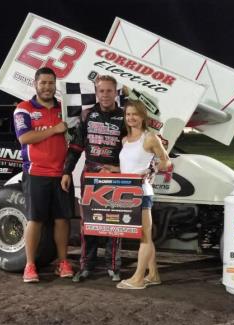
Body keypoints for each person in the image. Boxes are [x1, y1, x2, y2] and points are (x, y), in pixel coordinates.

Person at [61, 75, 125, 282]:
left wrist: (120, 169)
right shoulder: (87, 115)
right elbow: (76, 147)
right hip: (90, 174)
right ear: (96, 93)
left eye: (109, 91)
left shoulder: (125, 117)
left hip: (115, 177)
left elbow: (132, 149)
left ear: (116, 92)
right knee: (88, 223)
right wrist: (66, 171)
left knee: (113, 224)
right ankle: (86, 266)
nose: (105, 95)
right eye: (101, 91)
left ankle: (113, 266)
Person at [13, 67, 74, 283]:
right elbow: (24, 138)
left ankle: (63, 262)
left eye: (50, 83)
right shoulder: (24, 108)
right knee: (35, 219)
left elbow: (75, 135)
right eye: (43, 83)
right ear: (35, 84)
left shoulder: (64, 108)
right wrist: (55, 130)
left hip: (62, 174)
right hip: (36, 172)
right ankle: (29, 266)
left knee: (62, 219)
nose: (47, 87)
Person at [115, 99, 171, 290]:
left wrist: (151, 170)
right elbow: (128, 166)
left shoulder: (149, 138)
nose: (131, 118)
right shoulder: (125, 140)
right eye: (128, 114)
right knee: (143, 236)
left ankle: (138, 278)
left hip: (142, 192)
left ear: (143, 116)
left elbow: (166, 162)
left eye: (135, 114)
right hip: (126, 192)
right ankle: (153, 275)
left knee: (145, 235)